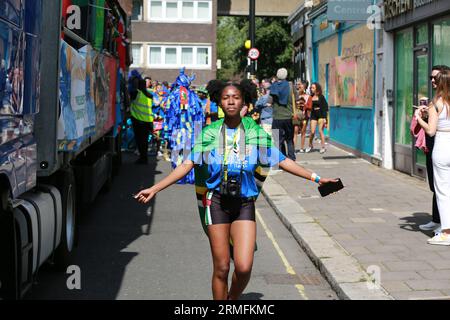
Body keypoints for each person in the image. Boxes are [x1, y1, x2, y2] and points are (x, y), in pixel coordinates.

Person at [134, 79, 337, 300]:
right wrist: (155, 188)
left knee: (243, 267)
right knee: (221, 268)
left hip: (244, 204)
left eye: (236, 97)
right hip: (216, 202)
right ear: (219, 103)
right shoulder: (210, 133)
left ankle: (231, 299)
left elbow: (283, 161)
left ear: (244, 102)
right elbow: (186, 165)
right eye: (226, 98)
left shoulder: (255, 132)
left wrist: (316, 178)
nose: (231, 101)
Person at [415, 69, 450, 245]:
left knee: (442, 191)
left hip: (443, 145)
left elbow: (430, 130)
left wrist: (418, 118)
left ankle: (446, 232)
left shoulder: (436, 102)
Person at [270, 68, 296, 161]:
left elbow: (269, 101)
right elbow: (296, 99)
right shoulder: (290, 86)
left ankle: (281, 160)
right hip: (288, 116)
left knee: (278, 141)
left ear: (277, 75)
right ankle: (292, 158)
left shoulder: (273, 86)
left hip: (277, 117)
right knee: (289, 139)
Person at [130, 77, 154, 164]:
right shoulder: (149, 95)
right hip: (148, 121)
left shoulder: (137, 93)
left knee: (140, 141)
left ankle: (142, 158)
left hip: (139, 121)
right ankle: (144, 158)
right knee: (145, 141)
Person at [307, 83, 328, 154]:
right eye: (311, 88)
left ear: (317, 88)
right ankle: (310, 145)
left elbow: (325, 107)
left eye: (313, 88)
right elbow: (308, 106)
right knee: (312, 132)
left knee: (320, 131)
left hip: (321, 115)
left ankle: (323, 147)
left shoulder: (321, 97)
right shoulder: (311, 97)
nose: (311, 89)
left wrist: (325, 118)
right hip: (313, 116)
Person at [295, 80, 312, 153]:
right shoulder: (295, 95)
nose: (299, 86)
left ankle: (301, 148)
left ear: (304, 86)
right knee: (295, 131)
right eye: (298, 85)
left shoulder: (308, 96)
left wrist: (304, 105)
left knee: (303, 131)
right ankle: (293, 148)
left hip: (304, 116)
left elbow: (310, 107)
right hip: (296, 115)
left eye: (300, 85)